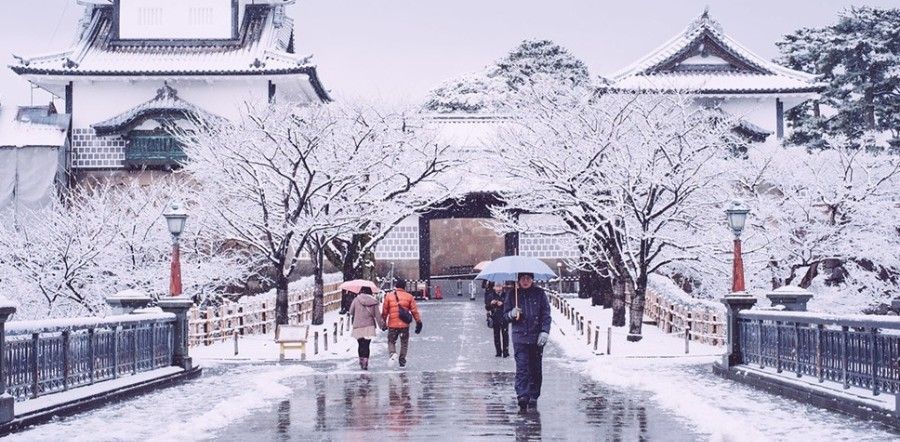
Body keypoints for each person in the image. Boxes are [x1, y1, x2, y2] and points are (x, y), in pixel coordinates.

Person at [504, 272, 551, 411]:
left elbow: (546, 315)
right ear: (518, 280)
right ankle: (522, 395)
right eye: (522, 278)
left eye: (528, 278)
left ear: (532, 280)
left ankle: (534, 394)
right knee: (522, 367)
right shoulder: (513, 294)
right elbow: (505, 316)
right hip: (520, 337)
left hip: (536, 338)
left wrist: (545, 331)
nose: (525, 281)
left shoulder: (539, 294)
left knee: (535, 368)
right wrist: (511, 314)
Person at [381, 279, 422, 368]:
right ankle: (402, 361)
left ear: (396, 286)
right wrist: (418, 322)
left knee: (391, 341)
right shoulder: (409, 297)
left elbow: (385, 311)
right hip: (404, 325)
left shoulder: (389, 296)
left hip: (392, 324)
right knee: (404, 342)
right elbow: (414, 311)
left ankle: (392, 353)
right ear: (404, 287)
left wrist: (383, 322)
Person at [349, 286, 385, 370]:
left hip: (358, 325)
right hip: (369, 326)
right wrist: (381, 326)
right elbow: (377, 316)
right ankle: (365, 362)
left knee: (360, 344)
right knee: (366, 345)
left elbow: (351, 311)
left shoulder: (356, 299)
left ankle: (361, 361)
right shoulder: (374, 301)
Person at [484, 282, 509, 357]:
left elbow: (509, 306)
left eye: (499, 286)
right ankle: (498, 351)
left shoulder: (506, 295)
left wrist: (503, 304)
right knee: (496, 335)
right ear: (494, 287)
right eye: (497, 286)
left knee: (505, 335)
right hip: (495, 317)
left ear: (502, 287)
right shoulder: (491, 295)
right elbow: (487, 307)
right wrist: (491, 304)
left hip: (504, 317)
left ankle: (505, 351)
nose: (498, 288)